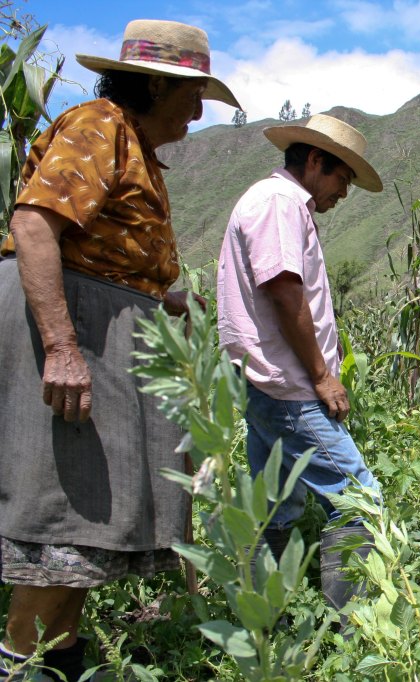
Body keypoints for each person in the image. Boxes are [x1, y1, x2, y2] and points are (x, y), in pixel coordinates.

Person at [0, 19, 240, 681]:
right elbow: (33, 226)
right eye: (191, 95)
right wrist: (62, 347)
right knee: (59, 517)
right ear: (155, 85)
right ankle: (19, 666)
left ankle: (57, 665)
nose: (197, 113)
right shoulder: (98, 125)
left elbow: (113, 258)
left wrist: (165, 305)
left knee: (85, 529)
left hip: (106, 339)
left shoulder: (132, 145)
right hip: (76, 335)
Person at [216, 114, 383, 610]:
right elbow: (285, 293)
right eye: (342, 178)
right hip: (290, 389)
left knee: (275, 504)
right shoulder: (279, 203)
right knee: (359, 499)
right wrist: (322, 376)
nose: (344, 193)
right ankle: (351, 628)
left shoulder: (279, 203)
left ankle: (266, 617)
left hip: (268, 385)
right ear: (314, 161)